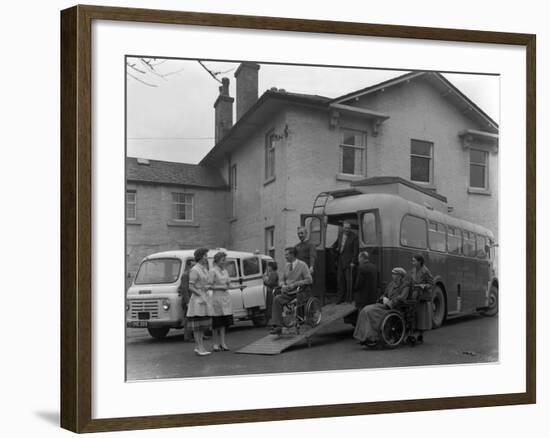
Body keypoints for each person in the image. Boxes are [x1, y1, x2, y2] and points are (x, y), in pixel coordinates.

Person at [353, 267, 409, 345]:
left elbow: (402, 297)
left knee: (369, 312)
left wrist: (391, 302)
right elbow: (385, 294)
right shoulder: (391, 284)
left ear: (400, 276)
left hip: (394, 307)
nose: (393, 276)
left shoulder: (405, 285)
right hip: (385, 305)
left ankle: (372, 337)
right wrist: (382, 298)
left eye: (395, 274)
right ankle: (362, 336)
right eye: (392, 274)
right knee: (364, 309)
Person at [269, 247, 313, 335]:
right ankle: (277, 326)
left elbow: (309, 280)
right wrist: (283, 285)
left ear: (292, 254)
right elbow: (281, 280)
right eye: (285, 254)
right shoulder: (286, 266)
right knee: (276, 299)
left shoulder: (302, 265)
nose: (285, 256)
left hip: (300, 291)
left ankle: (299, 320)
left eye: (287, 254)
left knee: (297, 301)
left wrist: (296, 284)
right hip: (289, 292)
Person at [186, 247, 212, 356]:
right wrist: (200, 293)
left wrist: (207, 288)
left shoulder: (205, 269)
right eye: (205, 255)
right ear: (200, 257)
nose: (207, 258)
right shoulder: (195, 269)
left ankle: (199, 346)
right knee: (197, 326)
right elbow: (190, 286)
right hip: (197, 300)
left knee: (202, 325)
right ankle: (199, 347)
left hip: (204, 298)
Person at [344, 251, 379, 325]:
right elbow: (378, 282)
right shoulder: (374, 267)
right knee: (370, 315)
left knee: (362, 316)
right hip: (372, 297)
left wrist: (354, 290)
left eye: (359, 258)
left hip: (362, 298)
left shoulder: (361, 268)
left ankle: (361, 333)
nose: (358, 260)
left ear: (362, 258)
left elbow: (358, 283)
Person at [208, 251, 233, 351]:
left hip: (226, 299)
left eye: (225, 260)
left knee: (223, 323)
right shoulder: (213, 271)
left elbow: (229, 284)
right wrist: (220, 287)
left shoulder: (225, 271)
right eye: (223, 260)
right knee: (216, 323)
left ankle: (223, 343)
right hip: (217, 299)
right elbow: (209, 285)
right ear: (217, 261)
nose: (224, 262)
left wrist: (239, 286)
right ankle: (215, 343)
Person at [409, 253, 434, 344]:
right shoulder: (413, 270)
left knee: (421, 317)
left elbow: (431, 283)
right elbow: (411, 281)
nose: (412, 262)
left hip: (421, 296)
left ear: (419, 262)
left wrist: (424, 286)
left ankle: (420, 335)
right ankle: (411, 334)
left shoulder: (425, 271)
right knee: (413, 315)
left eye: (414, 261)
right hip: (414, 295)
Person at [332, 221, 359, 303]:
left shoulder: (354, 237)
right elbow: (336, 245)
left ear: (350, 228)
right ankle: (340, 298)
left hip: (349, 262)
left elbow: (356, 251)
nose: (346, 229)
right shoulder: (340, 235)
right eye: (345, 228)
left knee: (349, 282)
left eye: (348, 228)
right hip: (340, 260)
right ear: (343, 228)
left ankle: (349, 299)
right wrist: (335, 249)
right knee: (340, 280)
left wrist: (353, 262)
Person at [263, 261, 279, 325]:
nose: (268, 268)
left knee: (271, 307)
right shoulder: (273, 273)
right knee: (271, 307)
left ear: (272, 267)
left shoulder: (273, 274)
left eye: (269, 266)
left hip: (272, 292)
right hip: (271, 291)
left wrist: (265, 281)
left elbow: (270, 283)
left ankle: (274, 322)